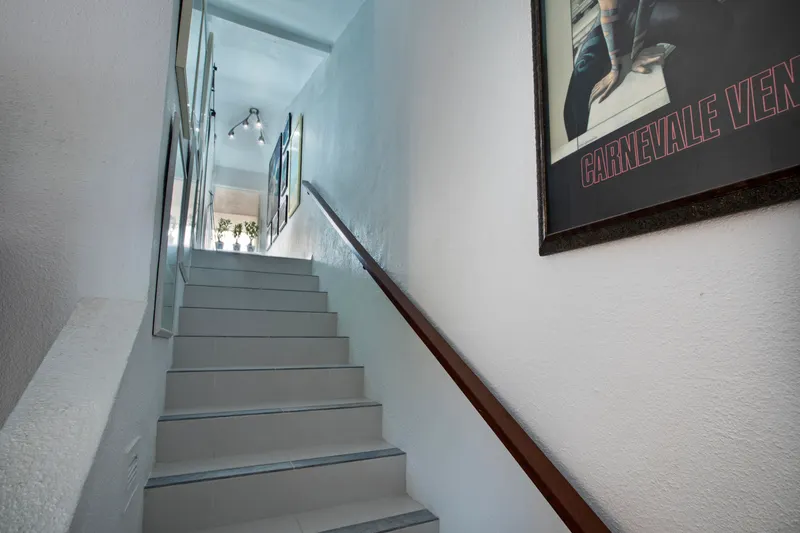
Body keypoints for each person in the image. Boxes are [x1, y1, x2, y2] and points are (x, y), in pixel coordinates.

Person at [564, 0, 733, 141]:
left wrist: (635, 51)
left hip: (646, 12)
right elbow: (609, 13)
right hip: (617, 22)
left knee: (713, 20)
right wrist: (617, 67)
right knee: (576, 98)